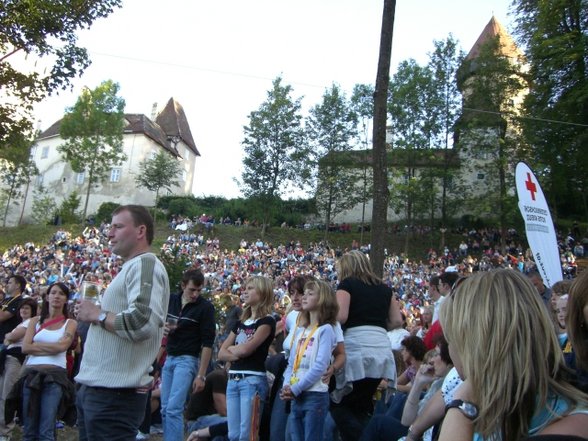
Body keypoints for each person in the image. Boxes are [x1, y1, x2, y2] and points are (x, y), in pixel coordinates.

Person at [438, 269, 588, 441]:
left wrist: (461, 405)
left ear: (473, 347)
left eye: (450, 339)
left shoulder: (572, 429)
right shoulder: (496, 414)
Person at [75, 204, 170, 441]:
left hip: (114, 397)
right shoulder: (131, 267)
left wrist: (97, 315)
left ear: (140, 231)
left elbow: (141, 322)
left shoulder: (145, 264)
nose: (109, 233)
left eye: (118, 226)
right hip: (100, 391)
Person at [330, 250, 402, 441]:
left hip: (357, 349)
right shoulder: (385, 288)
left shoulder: (347, 285)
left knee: (339, 404)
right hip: (381, 350)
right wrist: (376, 325)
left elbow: (341, 316)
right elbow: (397, 321)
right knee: (362, 405)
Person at [218, 276, 276, 441]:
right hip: (233, 379)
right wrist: (237, 351)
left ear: (262, 292)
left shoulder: (267, 321)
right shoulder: (240, 322)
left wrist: (233, 350)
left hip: (252, 380)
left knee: (247, 434)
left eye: (251, 288)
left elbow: (247, 349)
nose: (246, 291)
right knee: (233, 434)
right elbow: (221, 353)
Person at [280, 279, 339, 441]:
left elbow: (320, 365)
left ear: (323, 300)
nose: (304, 297)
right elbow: (292, 364)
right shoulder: (301, 332)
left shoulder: (325, 330)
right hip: (296, 396)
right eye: (304, 293)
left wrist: (295, 388)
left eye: (310, 294)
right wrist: (287, 385)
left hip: (314, 396)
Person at [161, 269, 216, 441]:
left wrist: (201, 374)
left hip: (187, 359)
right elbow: (158, 320)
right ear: (183, 286)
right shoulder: (172, 300)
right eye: (192, 290)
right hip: (170, 356)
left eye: (199, 291)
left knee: (173, 408)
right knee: (165, 408)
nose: (195, 294)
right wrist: (161, 328)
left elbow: (208, 343)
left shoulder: (205, 308)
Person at [20, 282, 78, 441]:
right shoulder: (35, 321)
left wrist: (36, 345)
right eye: (53, 293)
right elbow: (25, 347)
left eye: (61, 293)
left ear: (66, 299)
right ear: (47, 297)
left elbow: (63, 346)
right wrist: (53, 346)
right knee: (29, 429)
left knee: (46, 428)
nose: (56, 296)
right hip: (31, 375)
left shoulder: (70, 323)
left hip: (54, 377)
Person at [0, 298, 38, 440]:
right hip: (8, 358)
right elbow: (7, 338)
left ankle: (5, 432)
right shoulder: (22, 323)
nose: (23, 310)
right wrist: (8, 337)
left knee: (7, 396)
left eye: (27, 308)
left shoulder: (30, 323)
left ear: (32, 311)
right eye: (22, 308)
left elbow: (12, 336)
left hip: (15, 360)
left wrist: (9, 337)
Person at [185, 368, 229, 441]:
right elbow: (223, 411)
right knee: (231, 423)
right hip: (196, 422)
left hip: (209, 419)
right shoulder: (219, 377)